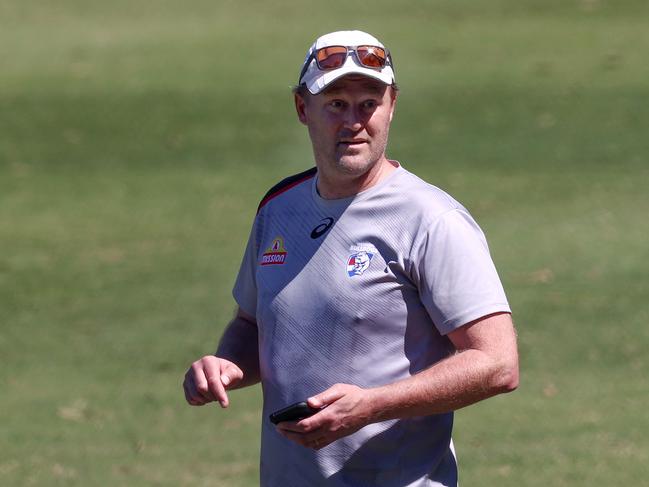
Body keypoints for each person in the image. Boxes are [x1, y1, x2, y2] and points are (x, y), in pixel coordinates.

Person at [183, 30, 519, 487]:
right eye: (336, 103)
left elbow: (498, 363)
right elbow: (252, 323)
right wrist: (225, 365)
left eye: (369, 103)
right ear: (303, 109)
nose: (354, 121)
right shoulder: (278, 210)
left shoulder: (432, 220)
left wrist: (372, 405)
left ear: (392, 106)